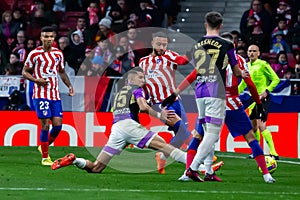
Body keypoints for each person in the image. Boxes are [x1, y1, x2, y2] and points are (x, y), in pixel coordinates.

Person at [176, 32, 275, 183]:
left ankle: (189, 172)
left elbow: (192, 75)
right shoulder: (241, 62)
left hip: (212, 100)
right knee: (250, 137)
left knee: (200, 136)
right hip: (232, 104)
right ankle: (266, 175)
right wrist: (259, 103)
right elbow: (250, 84)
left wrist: (177, 91)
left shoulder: (210, 59)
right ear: (233, 44)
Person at [51, 67, 186, 173]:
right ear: (131, 79)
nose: (143, 81)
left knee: (96, 167)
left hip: (116, 128)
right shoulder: (136, 89)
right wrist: (159, 115)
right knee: (165, 146)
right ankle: (196, 165)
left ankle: (74, 160)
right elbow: (143, 107)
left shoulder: (119, 91)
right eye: (140, 78)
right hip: (128, 126)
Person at [162, 11, 243, 182]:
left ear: (205, 24)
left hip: (200, 90)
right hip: (216, 91)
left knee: (206, 132)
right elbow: (236, 71)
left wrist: (166, 54)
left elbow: (183, 62)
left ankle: (208, 171)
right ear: (220, 26)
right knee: (213, 134)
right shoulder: (227, 44)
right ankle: (191, 169)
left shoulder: (198, 43)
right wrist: (241, 72)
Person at [139, 31, 191, 174]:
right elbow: (143, 83)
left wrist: (191, 54)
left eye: (164, 44)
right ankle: (202, 162)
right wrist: (145, 98)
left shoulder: (169, 55)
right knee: (184, 133)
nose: (162, 47)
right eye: (159, 44)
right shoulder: (143, 62)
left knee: (182, 135)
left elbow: (182, 61)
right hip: (161, 104)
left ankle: (162, 155)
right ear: (152, 44)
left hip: (175, 101)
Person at [22, 26, 75, 166]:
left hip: (55, 94)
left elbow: (62, 72)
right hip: (40, 94)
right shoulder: (34, 54)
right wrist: (36, 80)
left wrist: (69, 86)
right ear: (41, 38)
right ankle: (45, 157)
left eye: (51, 37)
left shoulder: (58, 54)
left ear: (54, 38)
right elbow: (24, 72)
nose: (49, 39)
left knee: (58, 126)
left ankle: (43, 146)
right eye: (46, 37)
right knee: (45, 125)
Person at [238, 44, 280, 160]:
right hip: (252, 99)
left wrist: (267, 90)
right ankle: (257, 152)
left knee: (262, 126)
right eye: (250, 51)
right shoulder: (246, 66)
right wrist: (234, 92)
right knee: (253, 127)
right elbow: (244, 83)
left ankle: (274, 153)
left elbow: (276, 79)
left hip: (262, 98)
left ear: (258, 53)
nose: (252, 53)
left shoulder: (263, 64)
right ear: (247, 53)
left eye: (254, 51)